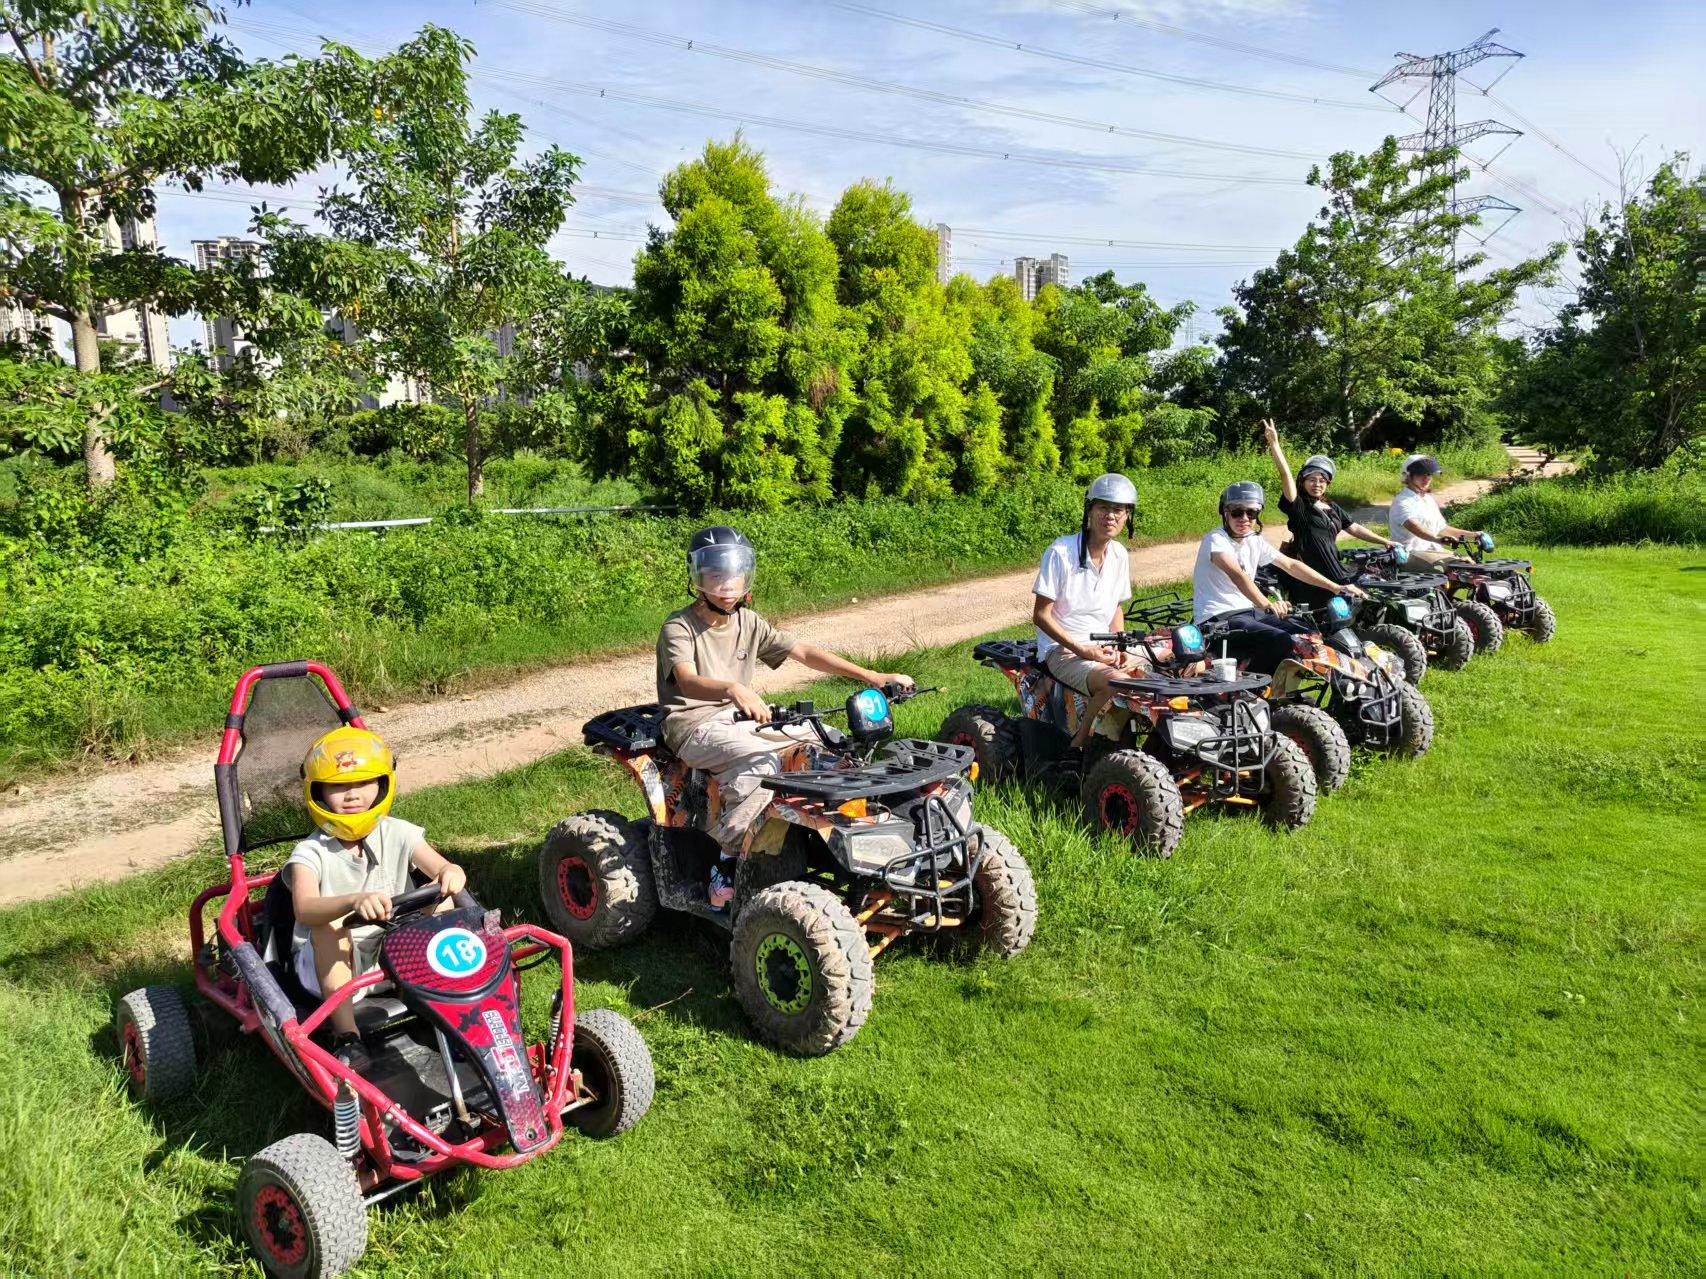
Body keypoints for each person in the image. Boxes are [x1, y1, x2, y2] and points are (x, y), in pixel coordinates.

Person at [658, 526, 914, 909]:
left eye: (733, 574)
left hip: (737, 717)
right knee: (762, 763)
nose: (725, 584)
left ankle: (842, 839)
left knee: (824, 740)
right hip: (693, 725)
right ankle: (726, 863)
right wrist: (732, 688)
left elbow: (805, 652)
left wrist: (873, 676)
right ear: (697, 577)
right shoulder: (679, 627)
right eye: (714, 574)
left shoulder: (750, 622)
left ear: (747, 575)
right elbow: (686, 680)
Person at [286, 726, 466, 1070]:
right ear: (318, 791)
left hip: (390, 951)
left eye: (363, 783)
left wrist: (451, 872)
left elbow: (442, 868)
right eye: (339, 786)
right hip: (329, 969)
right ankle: (347, 1037)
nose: (352, 795)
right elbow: (305, 908)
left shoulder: (398, 832)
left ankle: (449, 1012)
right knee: (329, 925)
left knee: (442, 902)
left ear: (382, 784)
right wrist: (352, 902)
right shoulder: (310, 853)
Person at [1191, 480, 1366, 673]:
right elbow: (1238, 575)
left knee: (1307, 636)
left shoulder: (1253, 540)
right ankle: (1256, 691)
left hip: (1248, 612)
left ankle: (1284, 691)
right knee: (1280, 640)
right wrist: (1267, 604)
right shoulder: (1216, 540)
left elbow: (1291, 565)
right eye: (1236, 512)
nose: (1245, 518)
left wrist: (1336, 587)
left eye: (1252, 513)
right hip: (1217, 616)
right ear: (1224, 512)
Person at [1031, 473, 1144, 767]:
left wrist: (1120, 646)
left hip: (1104, 646)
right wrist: (1083, 651)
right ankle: (1077, 747)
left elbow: (1115, 609)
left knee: (1177, 663)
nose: (1110, 516)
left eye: (1118, 510)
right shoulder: (1061, 552)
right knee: (1118, 683)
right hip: (1064, 650)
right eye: (1103, 507)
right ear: (1089, 510)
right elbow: (1041, 615)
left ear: (1127, 516)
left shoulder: (1119, 554)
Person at [1263, 420, 1398, 607]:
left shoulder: (1332, 507)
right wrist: (1274, 444)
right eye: (1311, 479)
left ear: (1327, 484)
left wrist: (1385, 541)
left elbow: (1354, 528)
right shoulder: (1299, 506)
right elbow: (1285, 475)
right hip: (1312, 572)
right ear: (1302, 481)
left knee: (1368, 600)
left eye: (1322, 480)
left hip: (1334, 566)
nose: (1317, 484)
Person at [1389, 454, 1484, 568]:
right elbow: (1416, 528)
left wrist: (1474, 535)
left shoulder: (1427, 499)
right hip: (1410, 554)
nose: (1427, 478)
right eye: (1420, 474)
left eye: (1429, 474)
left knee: (1470, 565)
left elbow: (1442, 528)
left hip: (1433, 550)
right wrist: (1438, 539)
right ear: (1408, 475)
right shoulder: (1401, 502)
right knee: (1459, 568)